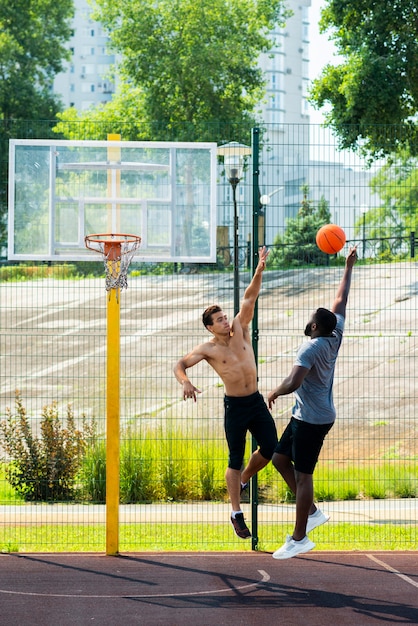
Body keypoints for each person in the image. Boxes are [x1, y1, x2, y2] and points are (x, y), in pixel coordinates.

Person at [173, 247, 278, 539]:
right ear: (210, 327)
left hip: (255, 402)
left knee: (270, 446)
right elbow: (179, 364)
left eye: (223, 317)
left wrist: (260, 267)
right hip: (235, 406)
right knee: (235, 456)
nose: (224, 321)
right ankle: (236, 512)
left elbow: (249, 297)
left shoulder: (240, 328)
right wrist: (185, 381)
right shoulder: (207, 349)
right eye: (218, 320)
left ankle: (243, 480)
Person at [268, 246, 358, 559]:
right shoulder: (335, 333)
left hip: (314, 419)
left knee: (304, 475)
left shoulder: (311, 349)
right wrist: (348, 267)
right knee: (280, 459)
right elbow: (341, 300)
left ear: (316, 326)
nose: (308, 321)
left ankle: (299, 536)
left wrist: (275, 392)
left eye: (311, 319)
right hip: (306, 415)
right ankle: (314, 512)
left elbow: (294, 381)